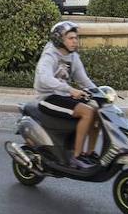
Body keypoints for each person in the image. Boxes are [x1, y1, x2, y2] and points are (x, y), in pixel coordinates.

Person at [34, 20, 101, 168]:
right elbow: (45, 79)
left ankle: (89, 153)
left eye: (76, 38)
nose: (75, 41)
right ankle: (76, 156)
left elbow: (83, 80)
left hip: (63, 96)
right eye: (70, 38)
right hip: (48, 97)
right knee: (87, 112)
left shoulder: (73, 56)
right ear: (59, 39)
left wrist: (99, 92)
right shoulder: (49, 56)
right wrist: (70, 90)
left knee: (97, 110)